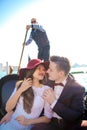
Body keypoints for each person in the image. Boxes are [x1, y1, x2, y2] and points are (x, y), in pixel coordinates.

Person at [31, 55, 86, 130]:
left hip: (69, 126)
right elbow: (33, 77)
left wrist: (53, 102)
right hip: (50, 123)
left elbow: (76, 116)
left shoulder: (78, 89)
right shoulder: (46, 81)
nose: (47, 71)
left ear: (61, 74)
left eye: (51, 69)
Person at [0, 59, 52, 130]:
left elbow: (48, 118)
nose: (42, 71)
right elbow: (8, 108)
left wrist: (28, 121)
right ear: (31, 71)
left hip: (29, 126)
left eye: (43, 69)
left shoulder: (47, 90)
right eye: (38, 68)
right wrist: (20, 90)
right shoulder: (20, 84)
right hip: (11, 122)